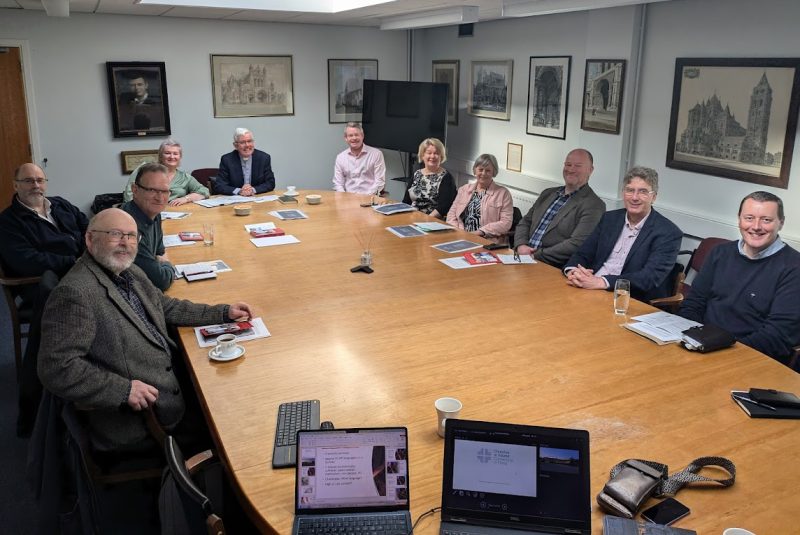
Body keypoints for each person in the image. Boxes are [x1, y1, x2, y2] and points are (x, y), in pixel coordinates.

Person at [37, 207, 254, 452]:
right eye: (115, 234)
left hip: (171, 382)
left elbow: (165, 306)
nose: (125, 243)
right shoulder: (76, 293)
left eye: (131, 236)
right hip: (144, 417)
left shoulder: (128, 271)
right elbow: (56, 367)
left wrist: (223, 313)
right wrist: (123, 390)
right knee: (233, 431)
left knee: (239, 394)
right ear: (90, 238)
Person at [0, 163, 90, 436]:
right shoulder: (8, 222)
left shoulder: (61, 205)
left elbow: (89, 230)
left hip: (80, 270)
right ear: (15, 186)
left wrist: (92, 250)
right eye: (28, 181)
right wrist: (72, 260)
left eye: (40, 180)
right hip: (40, 285)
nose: (35, 185)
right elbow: (26, 261)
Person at [679, 192, 800, 367]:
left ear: (781, 223)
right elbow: (694, 304)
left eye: (766, 220)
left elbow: (777, 335)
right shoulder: (719, 253)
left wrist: (722, 352)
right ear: (739, 219)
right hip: (702, 347)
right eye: (749, 218)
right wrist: (692, 338)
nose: (756, 226)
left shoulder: (794, 267)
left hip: (751, 360)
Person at [564, 166, 682, 301]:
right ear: (623, 193)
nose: (635, 197)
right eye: (630, 190)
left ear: (653, 197)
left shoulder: (668, 233)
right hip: (589, 290)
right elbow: (583, 254)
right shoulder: (609, 219)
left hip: (629, 300)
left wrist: (602, 282)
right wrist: (574, 271)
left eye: (643, 192)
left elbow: (649, 278)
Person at [513, 149, 605, 268]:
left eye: (578, 166)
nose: (571, 169)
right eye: (568, 164)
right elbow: (525, 222)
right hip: (522, 258)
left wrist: (535, 255)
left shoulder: (594, 205)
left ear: (590, 170)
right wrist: (521, 245)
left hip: (551, 267)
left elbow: (576, 244)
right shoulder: (548, 193)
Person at [121, 162, 175, 291]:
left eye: (165, 191)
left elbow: (159, 252)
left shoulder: (154, 213)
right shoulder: (129, 228)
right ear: (135, 190)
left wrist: (161, 260)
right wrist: (169, 265)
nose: (160, 198)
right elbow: (161, 281)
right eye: (152, 190)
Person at [446, 154, 513, 243]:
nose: (483, 173)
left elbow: (506, 223)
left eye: (488, 170)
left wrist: (480, 232)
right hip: (460, 237)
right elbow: (451, 215)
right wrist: (458, 232)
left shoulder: (503, 193)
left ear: (494, 172)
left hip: (487, 241)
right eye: (480, 170)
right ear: (475, 170)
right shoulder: (464, 189)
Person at [122, 139, 210, 206]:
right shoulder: (145, 169)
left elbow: (204, 191)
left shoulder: (185, 177)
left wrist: (186, 198)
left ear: (180, 157)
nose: (172, 157)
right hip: (145, 212)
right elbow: (129, 194)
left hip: (174, 214)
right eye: (167, 153)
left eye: (175, 154)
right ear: (160, 156)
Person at [402, 138, 457, 219]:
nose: (432, 156)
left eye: (436, 153)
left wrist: (425, 220)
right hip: (411, 217)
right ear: (422, 155)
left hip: (432, 221)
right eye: (429, 153)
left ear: (441, 157)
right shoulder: (417, 174)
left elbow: (443, 207)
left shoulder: (446, 177)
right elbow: (406, 201)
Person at [215, 127, 275, 196]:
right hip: (235, 201)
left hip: (257, 198)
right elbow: (219, 186)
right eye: (242, 142)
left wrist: (253, 190)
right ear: (235, 146)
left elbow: (270, 183)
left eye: (249, 141)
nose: (247, 145)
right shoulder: (227, 160)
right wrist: (240, 191)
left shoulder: (264, 158)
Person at [333, 122, 386, 195]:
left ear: (362, 136)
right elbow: (338, 184)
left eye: (356, 135)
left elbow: (379, 181)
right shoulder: (340, 157)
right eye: (350, 135)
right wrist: (344, 198)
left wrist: (366, 197)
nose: (354, 138)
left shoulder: (376, 154)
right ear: (346, 138)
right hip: (348, 200)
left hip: (370, 199)